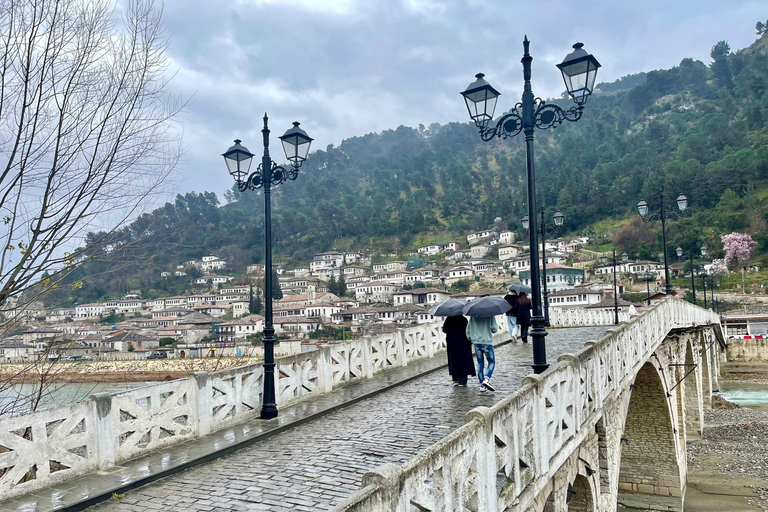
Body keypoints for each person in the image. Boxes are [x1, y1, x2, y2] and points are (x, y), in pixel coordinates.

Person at [466, 315, 498, 391]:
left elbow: (468, 330)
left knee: (480, 364)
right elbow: (495, 329)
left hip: (477, 343)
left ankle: (482, 385)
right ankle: (486, 379)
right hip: (487, 342)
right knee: (491, 362)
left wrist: (471, 338)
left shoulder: (473, 316)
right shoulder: (490, 314)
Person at [442, 315, 475, 386]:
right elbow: (468, 330)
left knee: (454, 361)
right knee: (463, 362)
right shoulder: (463, 320)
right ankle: (462, 380)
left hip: (452, 344)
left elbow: (444, 330)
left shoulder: (449, 319)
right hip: (463, 344)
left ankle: (455, 378)